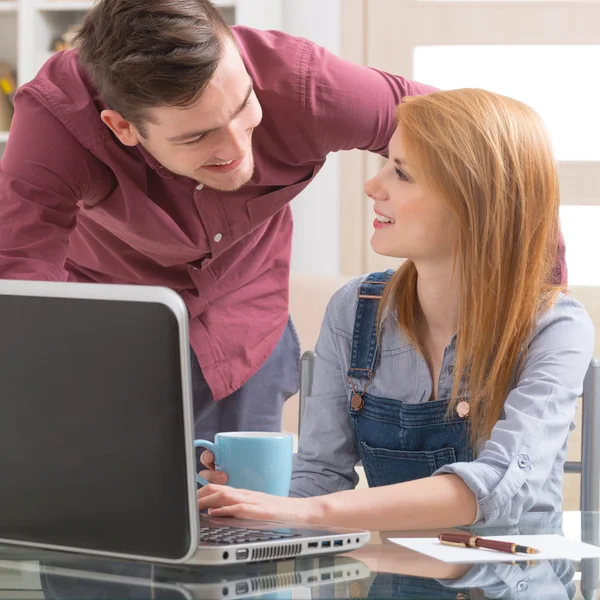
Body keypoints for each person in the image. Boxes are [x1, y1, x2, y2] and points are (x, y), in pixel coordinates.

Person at [0, 1, 567, 447]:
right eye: (197, 137)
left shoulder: (306, 87)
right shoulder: (54, 125)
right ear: (123, 128)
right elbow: (21, 287)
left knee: (246, 534)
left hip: (244, 322)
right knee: (97, 541)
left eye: (242, 108)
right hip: (110, 322)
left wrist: (535, 312)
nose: (237, 152)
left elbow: (498, 157)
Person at [196, 88, 594, 530]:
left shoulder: (555, 327)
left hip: (512, 578)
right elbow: (320, 478)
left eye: (401, 174)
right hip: (393, 572)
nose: (372, 185)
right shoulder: (354, 310)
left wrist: (307, 510)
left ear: (475, 203)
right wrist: (245, 499)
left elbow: (499, 481)